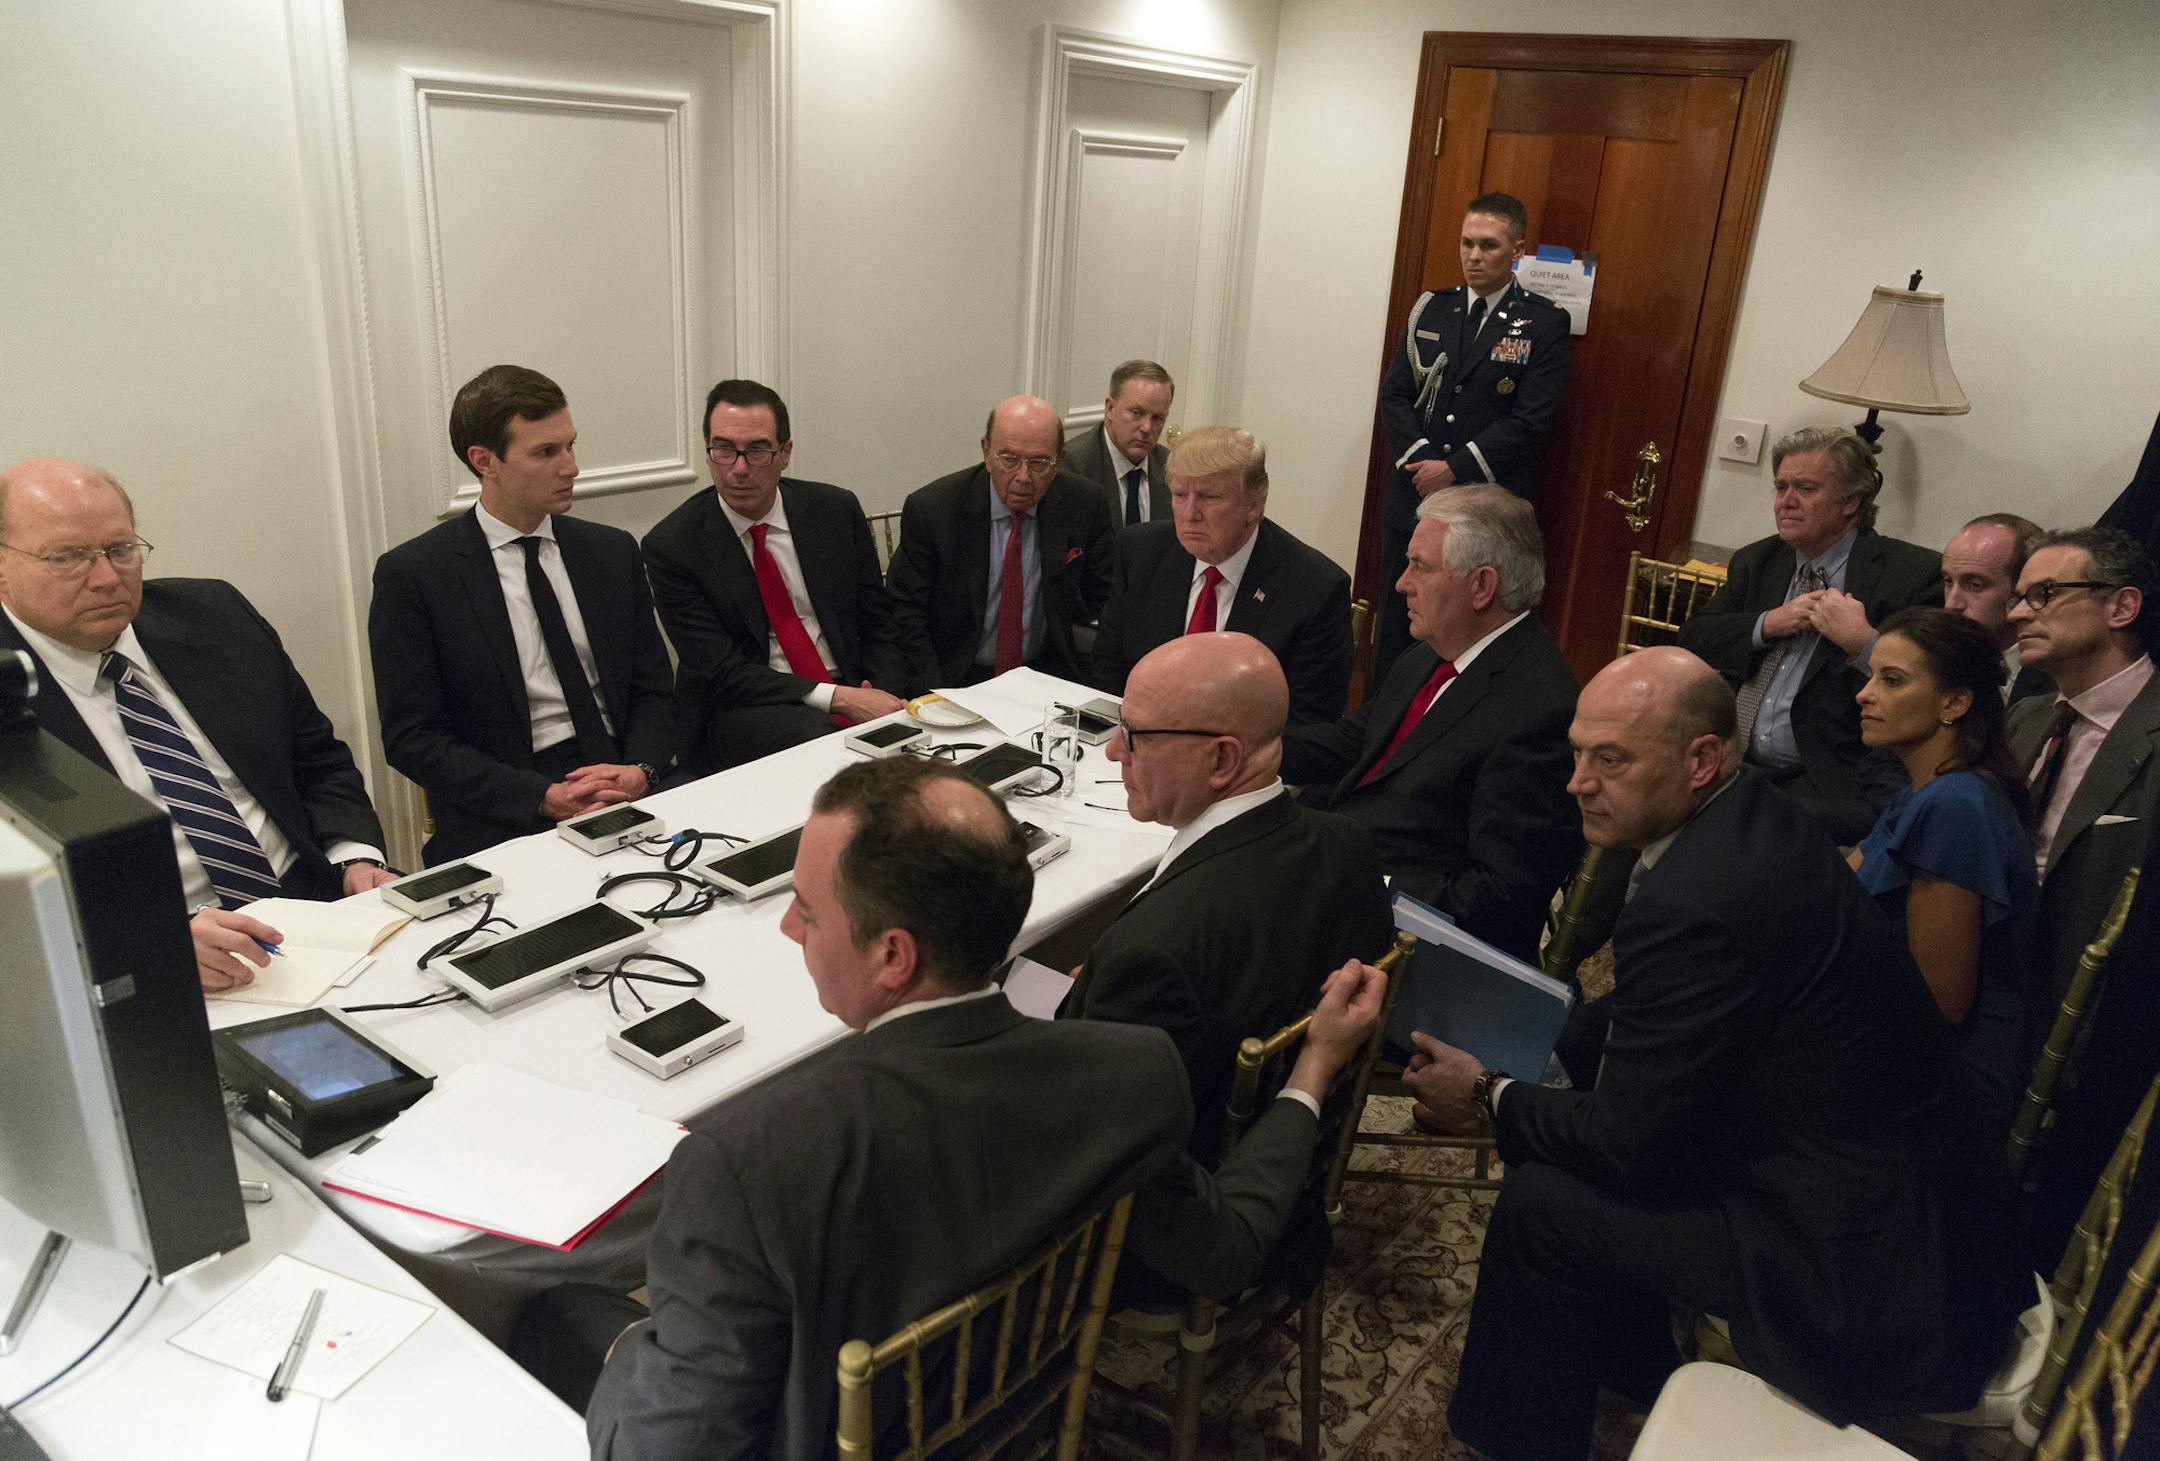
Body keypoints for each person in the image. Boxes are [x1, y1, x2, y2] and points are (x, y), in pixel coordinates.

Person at [562, 756, 1387, 1457]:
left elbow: (668, 1445)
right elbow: (1228, 1249)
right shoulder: (1129, 1076)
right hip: (1021, 1416)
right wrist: (1309, 1073)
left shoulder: (743, 1160)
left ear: (893, 954)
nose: (786, 927)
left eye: (807, 910)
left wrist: (625, 1345)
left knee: (550, 1310)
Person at [1411, 647, 2013, 1461]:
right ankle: (1636, 1367)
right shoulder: (1750, 817)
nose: (1577, 782)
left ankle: (1514, 1441)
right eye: (1578, 754)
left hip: (1856, 1264)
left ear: (1702, 759)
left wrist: (1488, 1094)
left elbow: (1624, 1146)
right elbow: (1679, 1015)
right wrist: (1555, 1029)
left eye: (1611, 759)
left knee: (1543, 1205)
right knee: (1582, 1105)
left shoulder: (1693, 896)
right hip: (1903, 1191)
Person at [0, 458, 394, 991]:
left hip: (321, 914)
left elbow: (317, 761)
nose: (106, 578)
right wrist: (156, 941)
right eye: (67, 558)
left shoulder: (215, 615)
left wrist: (354, 858)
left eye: (120, 550)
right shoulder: (8, 693)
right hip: (154, 971)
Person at [1063, 631, 1391, 1169]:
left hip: (1186, 1214)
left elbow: (1086, 1136)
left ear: (1221, 759)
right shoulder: (1348, 844)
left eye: (1134, 734)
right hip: (1294, 1163)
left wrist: (1111, 991)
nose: (1112, 750)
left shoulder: (1154, 954)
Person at [369, 366, 676, 864]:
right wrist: (541, 796)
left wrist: (641, 768)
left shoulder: (611, 552)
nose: (571, 466)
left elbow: (654, 687)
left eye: (571, 445)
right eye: (545, 452)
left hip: (624, 774)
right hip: (506, 807)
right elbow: (412, 738)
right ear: (484, 460)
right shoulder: (417, 575)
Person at [1283, 484, 1577, 964]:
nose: (1401, 582)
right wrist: (1251, 748)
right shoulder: (1431, 653)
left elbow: (1500, 893)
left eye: (1421, 565)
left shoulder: (1539, 709)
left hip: (1405, 947)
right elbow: (1354, 742)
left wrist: (1358, 885)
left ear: (1482, 586)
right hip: (1345, 869)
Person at [1678, 426, 1942, 844]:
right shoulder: (1758, 560)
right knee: (1641, 796)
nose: (1786, 501)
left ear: (1851, 502)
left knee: (1738, 834)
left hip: (1825, 776)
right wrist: (1767, 624)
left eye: (1805, 488)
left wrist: (1863, 643)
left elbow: (1930, 687)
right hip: (1732, 756)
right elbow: (1694, 638)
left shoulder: (1908, 575)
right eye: (1781, 487)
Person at [640, 379, 908, 775]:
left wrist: (888, 696)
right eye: (724, 450)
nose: (740, 469)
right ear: (708, 452)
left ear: (786, 453)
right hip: (745, 706)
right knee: (829, 747)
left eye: (758, 450)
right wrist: (838, 699)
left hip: (849, 682)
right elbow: (721, 672)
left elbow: (876, 620)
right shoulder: (672, 545)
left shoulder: (834, 510)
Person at [1850, 607, 2039, 1139]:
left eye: (1891, 680)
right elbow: (1839, 892)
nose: (1865, 694)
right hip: (1890, 1042)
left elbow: (1938, 1004)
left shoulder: (1956, 804)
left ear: (1955, 703)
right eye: (1871, 677)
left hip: (1941, 1089)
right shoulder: (1925, 789)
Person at [1371, 190, 1571, 680]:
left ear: (1517, 250)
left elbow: (1532, 419)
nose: (1474, 256)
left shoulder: (1542, 322)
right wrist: (1422, 461)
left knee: (1471, 633)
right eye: (1467, 244)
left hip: (1487, 507)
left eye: (1489, 245)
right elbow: (1395, 395)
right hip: (1415, 496)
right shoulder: (1431, 310)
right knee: (1399, 630)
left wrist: (1454, 470)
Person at [1091, 427, 1351, 726]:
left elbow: (1309, 723)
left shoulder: (1315, 589)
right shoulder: (1140, 552)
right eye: (1179, 494)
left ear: (1254, 505)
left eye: (1208, 497)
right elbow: (1108, 669)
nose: (1190, 513)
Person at [2006, 526, 2158, 1005]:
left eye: (2043, 594)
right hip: (2001, 972)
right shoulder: (2026, 719)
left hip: (2105, 999)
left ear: (2121, 607)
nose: (2015, 613)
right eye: (2018, 597)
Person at [886, 395, 1114, 690]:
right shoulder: (935, 510)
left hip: (1045, 674)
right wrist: (932, 695)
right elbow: (905, 613)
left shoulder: (1085, 503)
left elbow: (1105, 600)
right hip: (957, 677)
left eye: (1039, 462)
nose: (1023, 477)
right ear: (986, 450)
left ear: (1059, 459)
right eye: (1008, 458)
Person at [1942, 511, 2045, 698]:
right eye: (1948, 582)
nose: (1951, 604)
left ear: (2025, 589)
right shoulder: (1939, 663)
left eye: (1975, 585)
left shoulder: (2058, 673)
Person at [1063, 359, 1174, 528]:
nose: (1147, 428)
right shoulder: (1074, 466)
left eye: (1157, 418)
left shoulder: (1171, 466)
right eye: (1136, 413)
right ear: (1109, 409)